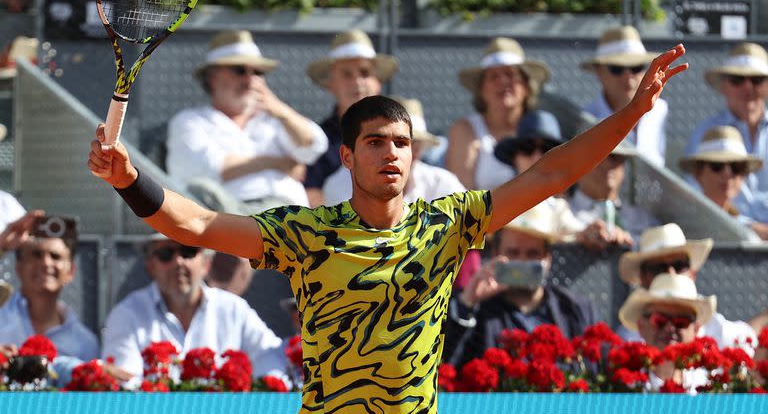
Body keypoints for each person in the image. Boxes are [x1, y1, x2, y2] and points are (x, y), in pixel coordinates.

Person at [87, 43, 688, 413]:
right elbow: (193, 224)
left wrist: (630, 115)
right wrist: (128, 178)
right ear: (347, 158)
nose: (391, 153)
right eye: (375, 143)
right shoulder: (307, 233)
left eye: (401, 143)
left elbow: (555, 172)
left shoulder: (450, 222)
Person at [165, 30, 328, 212]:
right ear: (212, 77)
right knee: (203, 192)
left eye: (258, 72)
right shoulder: (190, 121)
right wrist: (277, 163)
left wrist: (280, 109)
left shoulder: (276, 119)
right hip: (222, 213)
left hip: (283, 209)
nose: (250, 80)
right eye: (239, 70)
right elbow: (211, 169)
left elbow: (313, 146)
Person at [101, 233, 286, 380]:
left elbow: (272, 361)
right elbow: (125, 382)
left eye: (188, 251)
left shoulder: (234, 309)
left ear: (206, 264)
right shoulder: (127, 313)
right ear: (151, 266)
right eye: (166, 254)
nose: (178, 262)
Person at [443, 202, 600, 368]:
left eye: (533, 254)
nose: (523, 262)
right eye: (513, 253)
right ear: (495, 255)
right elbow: (445, 364)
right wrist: (467, 303)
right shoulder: (475, 309)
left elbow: (597, 373)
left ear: (547, 259)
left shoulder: (576, 310)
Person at [617, 222, 757, 354]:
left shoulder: (712, 321)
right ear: (642, 278)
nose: (670, 273)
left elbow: (748, 339)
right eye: (659, 320)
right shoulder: (628, 338)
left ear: (693, 272)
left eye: (679, 266)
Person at [0, 215, 104, 385]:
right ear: (18, 266)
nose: (46, 263)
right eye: (36, 254)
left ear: (71, 271)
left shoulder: (85, 342)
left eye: (55, 256)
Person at [304, 30, 398, 207]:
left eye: (364, 72)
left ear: (378, 81)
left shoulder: (401, 133)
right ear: (330, 84)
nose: (357, 81)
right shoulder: (318, 140)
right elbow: (311, 197)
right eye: (347, 74)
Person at [446, 37, 550, 191]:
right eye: (493, 76)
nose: (502, 81)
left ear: (527, 86)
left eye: (510, 74)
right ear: (481, 90)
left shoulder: (544, 126)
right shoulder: (465, 130)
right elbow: (460, 200)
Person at [322, 96, 465, 205]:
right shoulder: (339, 185)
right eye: (378, 143)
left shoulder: (442, 182)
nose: (393, 152)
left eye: (404, 142)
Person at [687, 43, 768, 215]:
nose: (748, 87)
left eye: (757, 80)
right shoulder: (705, 132)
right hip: (725, 234)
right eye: (737, 80)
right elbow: (695, 194)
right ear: (724, 86)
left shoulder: (706, 132)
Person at [493, 110, 587, 242]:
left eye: (547, 150)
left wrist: (594, 234)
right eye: (528, 147)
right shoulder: (492, 199)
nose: (537, 157)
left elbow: (579, 233)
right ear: (514, 157)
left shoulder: (558, 210)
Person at [581, 26, 667, 166]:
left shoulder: (660, 109)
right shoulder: (587, 120)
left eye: (636, 67)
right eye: (616, 69)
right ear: (599, 72)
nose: (628, 77)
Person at [619, 273, 714, 392]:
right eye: (660, 320)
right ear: (642, 326)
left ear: (695, 329)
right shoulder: (623, 387)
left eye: (681, 321)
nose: (670, 328)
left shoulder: (708, 385)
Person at [567, 135, 659, 248]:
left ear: (624, 166)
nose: (607, 163)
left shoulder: (643, 220)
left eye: (615, 157)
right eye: (598, 156)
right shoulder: (558, 211)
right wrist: (577, 238)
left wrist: (630, 245)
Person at [680, 126, 768, 238]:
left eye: (736, 167)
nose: (727, 174)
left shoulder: (745, 221)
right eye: (717, 166)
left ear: (743, 175)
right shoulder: (681, 222)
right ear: (698, 173)